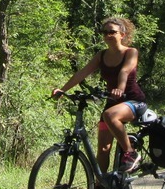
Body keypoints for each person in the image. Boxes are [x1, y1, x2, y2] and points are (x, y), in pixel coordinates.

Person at [52, 16, 147, 175]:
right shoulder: (101, 55)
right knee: (103, 149)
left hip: (133, 101)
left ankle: (130, 153)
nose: (108, 35)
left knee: (109, 115)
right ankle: (100, 187)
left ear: (122, 34)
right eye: (104, 32)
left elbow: (124, 71)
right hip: (113, 103)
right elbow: (82, 73)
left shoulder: (131, 52)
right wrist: (63, 90)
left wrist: (120, 88)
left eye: (112, 32)